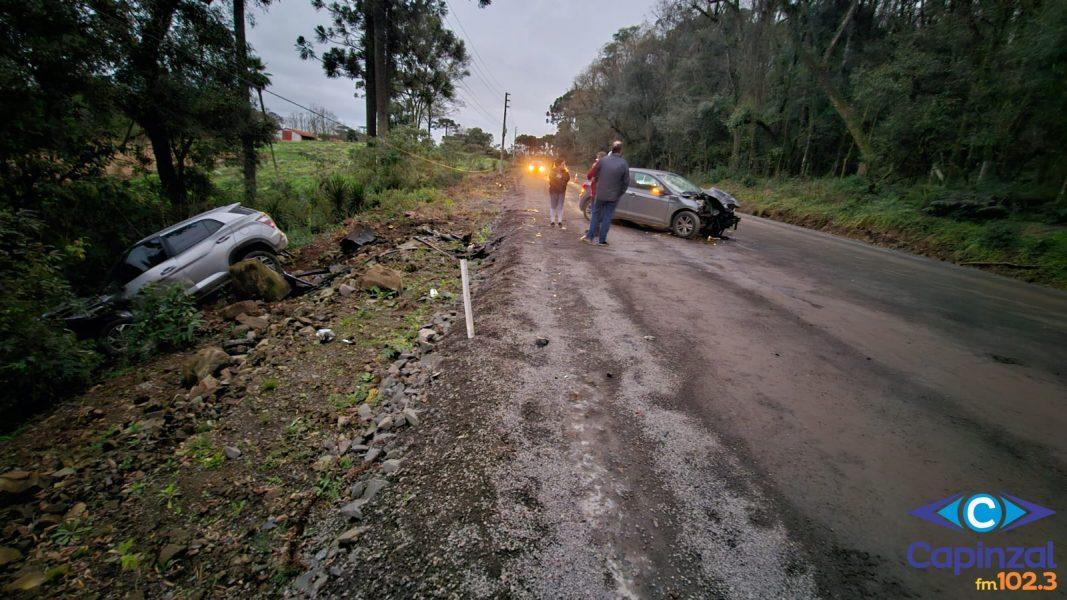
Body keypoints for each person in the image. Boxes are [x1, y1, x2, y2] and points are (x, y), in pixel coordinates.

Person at [581, 141, 629, 245]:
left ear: (612, 149)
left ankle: (589, 237)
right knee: (607, 217)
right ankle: (602, 240)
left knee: (595, 215)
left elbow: (590, 175)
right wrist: (619, 193)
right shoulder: (624, 164)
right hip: (613, 196)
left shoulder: (603, 161)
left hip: (600, 194)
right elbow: (626, 182)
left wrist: (595, 177)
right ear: (621, 151)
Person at [547, 157, 570, 228]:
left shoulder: (566, 172)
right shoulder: (552, 171)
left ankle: (560, 221)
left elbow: (567, 179)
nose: (564, 166)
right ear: (558, 165)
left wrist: (560, 178)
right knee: (553, 206)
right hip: (554, 191)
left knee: (560, 206)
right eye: (563, 164)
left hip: (562, 191)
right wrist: (561, 179)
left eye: (564, 164)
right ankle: (552, 221)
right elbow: (552, 180)